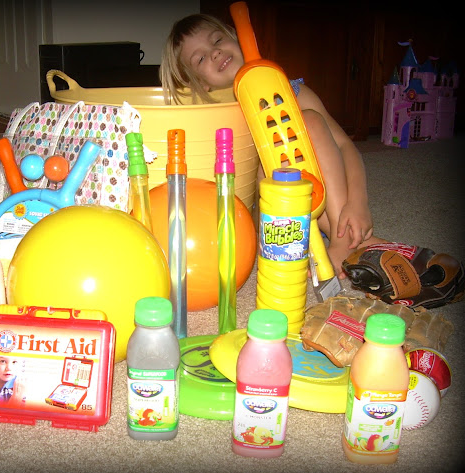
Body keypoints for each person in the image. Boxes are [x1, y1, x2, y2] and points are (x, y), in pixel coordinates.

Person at [160, 14, 386, 278]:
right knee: (261, 164)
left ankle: (344, 237)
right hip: (275, 222)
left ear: (240, 39)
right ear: (201, 83)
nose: (215, 52)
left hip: (326, 203)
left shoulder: (287, 92)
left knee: (309, 121)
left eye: (218, 40)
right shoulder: (217, 118)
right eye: (200, 58)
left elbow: (345, 146)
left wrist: (358, 203)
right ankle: (351, 241)